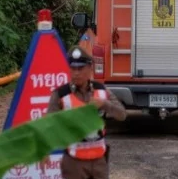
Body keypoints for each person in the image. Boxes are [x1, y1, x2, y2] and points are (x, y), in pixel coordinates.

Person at [41, 45, 127, 179]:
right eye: (72, 68)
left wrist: (105, 104)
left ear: (90, 69)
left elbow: (122, 115)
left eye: (80, 68)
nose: (76, 73)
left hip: (99, 162)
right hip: (74, 163)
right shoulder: (61, 94)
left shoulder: (102, 91)